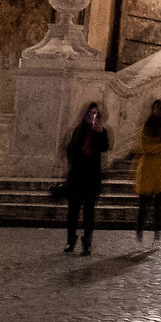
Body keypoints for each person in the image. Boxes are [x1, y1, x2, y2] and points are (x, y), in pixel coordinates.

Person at [60, 102, 109, 255]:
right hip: (76, 176)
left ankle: (87, 242)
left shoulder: (101, 131)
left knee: (89, 212)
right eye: (89, 113)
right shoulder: (78, 131)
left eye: (95, 113)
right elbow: (70, 150)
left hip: (91, 177)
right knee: (73, 211)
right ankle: (71, 240)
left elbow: (104, 147)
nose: (91, 116)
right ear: (84, 114)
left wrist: (100, 132)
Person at [131, 99, 161, 244]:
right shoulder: (147, 126)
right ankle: (139, 236)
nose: (157, 111)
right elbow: (147, 147)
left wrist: (157, 148)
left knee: (158, 208)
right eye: (155, 108)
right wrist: (160, 147)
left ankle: (157, 237)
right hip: (147, 171)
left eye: (160, 108)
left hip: (160, 172)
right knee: (143, 208)